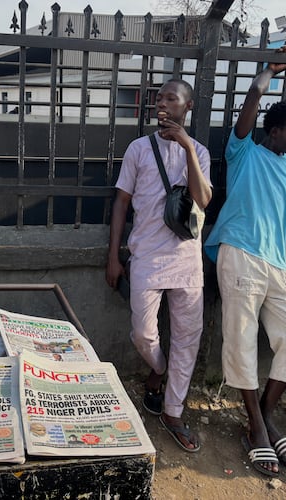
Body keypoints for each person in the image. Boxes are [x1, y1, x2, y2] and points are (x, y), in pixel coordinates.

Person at [204, 40, 286, 477]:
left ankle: (265, 416)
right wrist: (269, 73)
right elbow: (251, 103)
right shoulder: (244, 150)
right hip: (240, 253)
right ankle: (256, 426)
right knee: (242, 340)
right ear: (273, 131)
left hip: (278, 265)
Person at [106, 78, 212, 452]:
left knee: (188, 338)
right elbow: (121, 202)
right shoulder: (138, 149)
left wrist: (186, 147)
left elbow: (202, 200)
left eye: (172, 98)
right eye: (160, 98)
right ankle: (159, 368)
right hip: (146, 255)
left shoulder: (198, 150)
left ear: (188, 106)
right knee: (143, 333)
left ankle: (173, 410)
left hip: (186, 258)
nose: (163, 103)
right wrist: (113, 255)